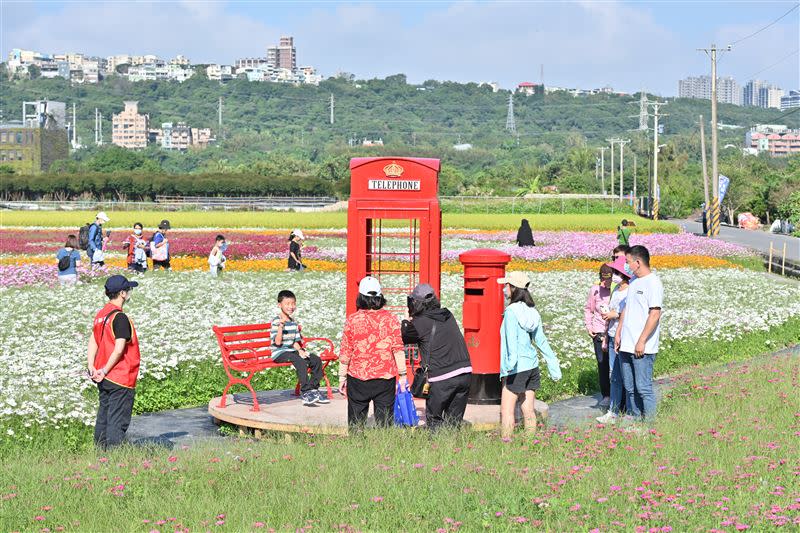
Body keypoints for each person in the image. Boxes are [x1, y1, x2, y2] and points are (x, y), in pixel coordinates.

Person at [498, 271, 561, 438]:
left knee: (507, 411)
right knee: (528, 410)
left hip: (516, 367)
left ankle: (506, 447)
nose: (505, 288)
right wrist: (553, 365)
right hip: (532, 366)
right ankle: (530, 444)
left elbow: (511, 340)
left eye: (507, 285)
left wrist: (509, 365)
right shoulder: (533, 311)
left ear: (513, 288)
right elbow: (541, 341)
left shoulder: (511, 311)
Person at [401, 283, 472, 431]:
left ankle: (437, 450)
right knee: (453, 422)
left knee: (435, 421)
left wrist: (406, 320)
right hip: (465, 373)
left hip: (442, 378)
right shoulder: (447, 314)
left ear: (415, 303)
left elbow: (405, 338)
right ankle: (453, 450)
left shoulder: (419, 323)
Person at [339, 276, 407, 429]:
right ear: (380, 296)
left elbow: (345, 351)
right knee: (385, 424)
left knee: (356, 423)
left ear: (361, 296)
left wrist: (342, 377)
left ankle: (356, 449)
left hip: (358, 377)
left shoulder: (352, 320)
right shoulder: (391, 319)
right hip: (385, 377)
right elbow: (398, 349)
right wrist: (402, 375)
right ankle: (383, 450)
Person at [87, 275, 140, 448]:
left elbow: (93, 340)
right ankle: (115, 458)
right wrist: (105, 370)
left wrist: (92, 367)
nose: (130, 292)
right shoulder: (120, 317)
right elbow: (119, 349)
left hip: (103, 376)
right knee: (117, 419)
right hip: (119, 376)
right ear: (122, 293)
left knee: (104, 415)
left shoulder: (101, 315)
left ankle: (100, 451)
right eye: (129, 290)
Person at [614, 245, 663, 423]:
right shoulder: (634, 280)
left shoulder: (653, 283)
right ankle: (633, 418)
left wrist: (641, 340)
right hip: (626, 343)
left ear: (638, 262)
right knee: (630, 387)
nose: (626, 266)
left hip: (642, 346)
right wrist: (619, 332)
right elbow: (627, 308)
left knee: (643, 387)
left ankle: (650, 424)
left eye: (628, 262)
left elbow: (655, 314)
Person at [270, 290, 328, 406]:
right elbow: (277, 343)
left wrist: (301, 350)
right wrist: (281, 327)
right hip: (279, 353)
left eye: (293, 304)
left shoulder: (293, 322)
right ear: (279, 305)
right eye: (287, 304)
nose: (291, 307)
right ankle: (306, 392)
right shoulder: (276, 321)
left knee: (315, 359)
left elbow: (295, 342)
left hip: (292, 351)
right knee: (299, 361)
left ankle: (313, 389)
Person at [596, 256, 632, 424]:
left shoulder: (630, 290)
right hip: (611, 334)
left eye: (616, 272)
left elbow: (627, 312)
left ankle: (629, 410)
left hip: (623, 336)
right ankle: (613, 410)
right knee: (614, 376)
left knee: (625, 375)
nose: (613, 275)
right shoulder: (616, 289)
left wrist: (614, 314)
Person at [584, 264, 612, 408]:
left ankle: (617, 394)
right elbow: (588, 309)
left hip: (612, 332)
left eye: (607, 279)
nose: (604, 282)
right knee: (602, 365)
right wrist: (589, 327)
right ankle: (606, 395)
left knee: (614, 366)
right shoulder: (595, 290)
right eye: (602, 278)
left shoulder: (615, 291)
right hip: (598, 332)